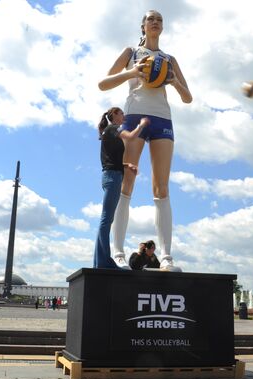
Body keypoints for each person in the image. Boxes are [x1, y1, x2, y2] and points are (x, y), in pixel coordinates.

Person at [98, 9, 192, 272]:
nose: (155, 22)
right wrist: (131, 73)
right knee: (126, 183)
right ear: (143, 26)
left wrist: (174, 82)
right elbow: (103, 83)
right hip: (134, 116)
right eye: (151, 19)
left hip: (162, 120)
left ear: (162, 27)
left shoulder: (169, 59)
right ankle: (117, 252)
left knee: (161, 187)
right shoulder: (131, 53)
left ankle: (166, 257)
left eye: (160, 19)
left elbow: (188, 98)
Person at [93, 107, 149, 269]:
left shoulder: (109, 132)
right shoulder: (113, 128)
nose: (124, 116)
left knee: (106, 219)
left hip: (112, 176)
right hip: (112, 178)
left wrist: (127, 165)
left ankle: (100, 261)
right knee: (106, 220)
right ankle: (104, 262)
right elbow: (131, 137)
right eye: (122, 113)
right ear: (115, 116)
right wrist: (142, 124)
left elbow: (111, 159)